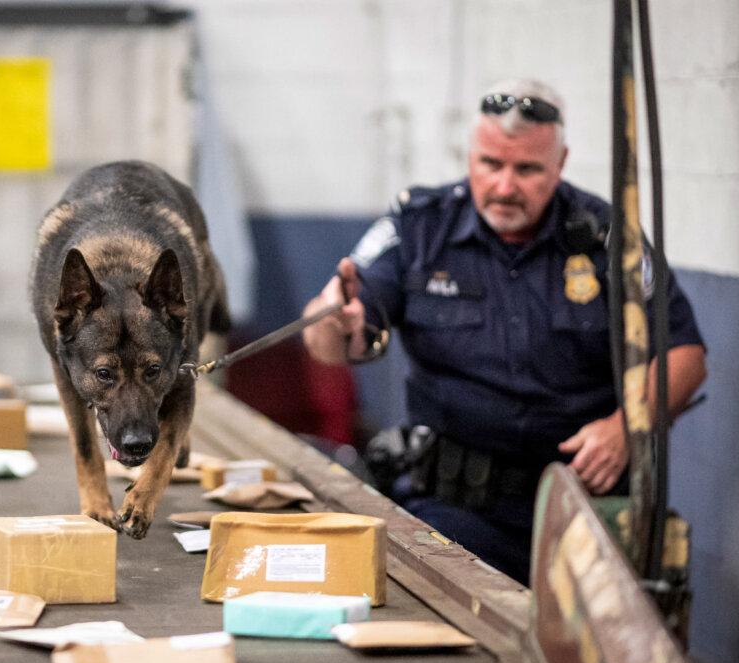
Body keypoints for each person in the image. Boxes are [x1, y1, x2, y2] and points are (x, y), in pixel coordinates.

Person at [301, 79, 707, 585]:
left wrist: (629, 426)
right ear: (470, 157)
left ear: (560, 165)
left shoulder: (609, 238)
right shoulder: (421, 226)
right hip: (453, 513)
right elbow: (333, 339)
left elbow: (685, 354)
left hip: (582, 512)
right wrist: (333, 321)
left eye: (528, 169)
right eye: (490, 164)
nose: (505, 186)